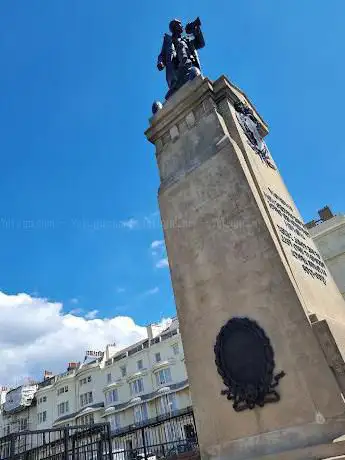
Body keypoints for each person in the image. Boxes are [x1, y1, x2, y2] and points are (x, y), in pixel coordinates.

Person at [157, 18, 205, 99]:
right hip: (176, 70)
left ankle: (187, 74)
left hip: (189, 67)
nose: (182, 26)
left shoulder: (187, 39)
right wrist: (160, 62)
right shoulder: (168, 41)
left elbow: (201, 43)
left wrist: (196, 30)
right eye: (179, 24)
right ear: (174, 27)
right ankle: (177, 86)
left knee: (182, 44)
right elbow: (162, 55)